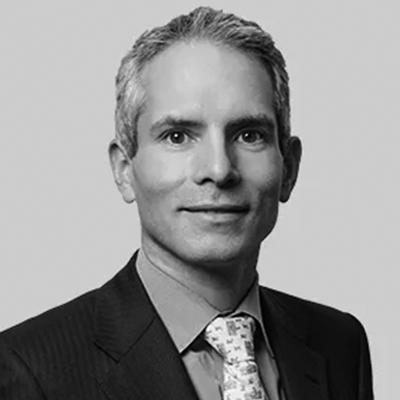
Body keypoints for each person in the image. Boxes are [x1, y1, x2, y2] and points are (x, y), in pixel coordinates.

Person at [0, 6, 373, 400]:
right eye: (177, 136)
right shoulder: (27, 369)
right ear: (124, 170)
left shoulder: (340, 343)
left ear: (290, 168)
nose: (219, 169)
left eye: (249, 135)